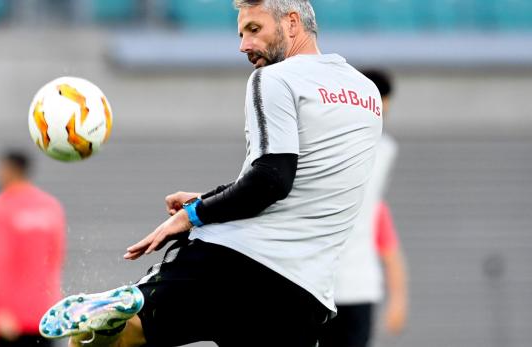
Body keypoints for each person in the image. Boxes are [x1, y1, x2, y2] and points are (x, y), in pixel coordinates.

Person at [41, 1, 382, 346]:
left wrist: (193, 215)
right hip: (303, 296)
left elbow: (270, 180)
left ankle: (125, 311)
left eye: (254, 29)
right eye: (241, 34)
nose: (244, 45)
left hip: (231, 266)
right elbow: (298, 180)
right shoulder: (367, 93)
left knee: (115, 337)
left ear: (292, 23)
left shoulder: (274, 78)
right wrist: (210, 198)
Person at [319, 70, 408, 347]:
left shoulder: (382, 155)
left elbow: (387, 242)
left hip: (356, 287)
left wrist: (399, 298)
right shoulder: (325, 149)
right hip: (321, 287)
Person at [0, 150, 66, 347]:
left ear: (10, 170)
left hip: (9, 317)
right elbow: (57, 258)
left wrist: (1, 311)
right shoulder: (51, 206)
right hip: (44, 315)